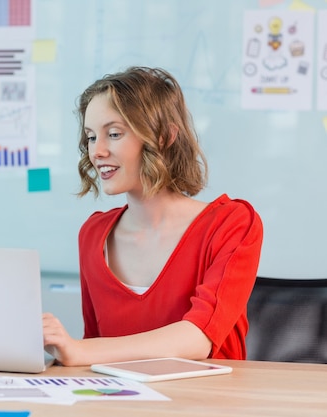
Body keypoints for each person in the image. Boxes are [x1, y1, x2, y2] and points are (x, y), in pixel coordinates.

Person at [42, 67, 263, 366]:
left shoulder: (231, 224)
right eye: (91, 137)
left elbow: (199, 337)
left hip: (207, 405)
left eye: (114, 134)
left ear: (163, 136)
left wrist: (79, 350)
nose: (97, 151)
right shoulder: (93, 234)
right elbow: (94, 350)